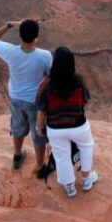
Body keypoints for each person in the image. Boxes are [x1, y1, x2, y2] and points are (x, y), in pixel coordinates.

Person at [0, 19, 53, 174]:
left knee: (17, 126)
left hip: (16, 98)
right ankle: (39, 166)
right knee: (38, 131)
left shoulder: (10, 51)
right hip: (35, 101)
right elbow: (51, 75)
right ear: (37, 36)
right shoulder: (44, 56)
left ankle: (17, 155)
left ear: (19, 35)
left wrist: (9, 24)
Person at [36, 47, 97, 198]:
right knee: (86, 147)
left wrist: (39, 127)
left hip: (56, 128)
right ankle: (86, 180)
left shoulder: (46, 84)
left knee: (61, 156)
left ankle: (70, 188)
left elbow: (42, 109)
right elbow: (86, 100)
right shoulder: (79, 81)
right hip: (78, 125)